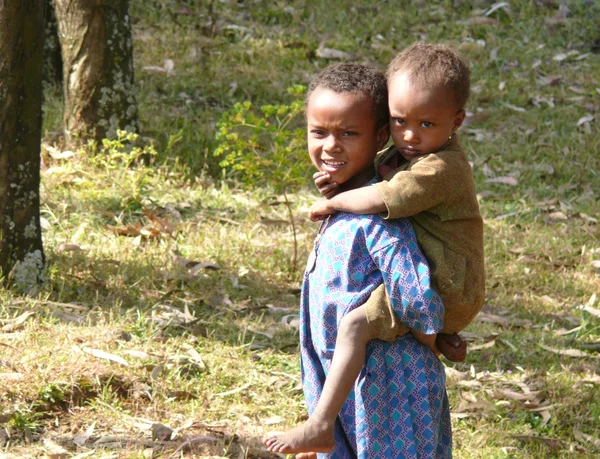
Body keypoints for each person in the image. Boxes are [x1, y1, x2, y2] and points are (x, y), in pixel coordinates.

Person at [265, 43, 484, 456]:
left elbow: (413, 289)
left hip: (392, 391)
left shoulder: (385, 211)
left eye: (349, 133)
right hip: (354, 385)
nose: (331, 146)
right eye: (319, 132)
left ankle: (319, 424)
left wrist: (435, 334)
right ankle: (322, 423)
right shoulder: (388, 174)